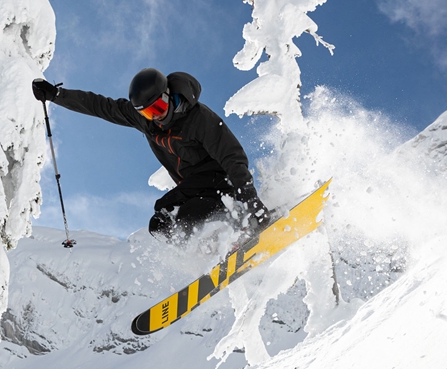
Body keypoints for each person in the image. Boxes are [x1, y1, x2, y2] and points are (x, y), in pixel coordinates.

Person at [32, 68, 270, 240]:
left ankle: (237, 226)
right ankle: (206, 253)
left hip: (221, 181)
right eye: (147, 114)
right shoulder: (147, 122)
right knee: (160, 224)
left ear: (168, 96)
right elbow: (100, 106)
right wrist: (56, 95)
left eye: (157, 108)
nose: (155, 117)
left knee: (186, 215)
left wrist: (249, 197)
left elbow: (233, 157)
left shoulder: (199, 118)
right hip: (193, 187)